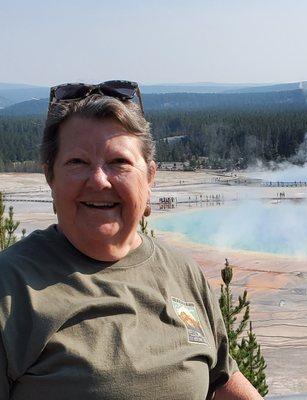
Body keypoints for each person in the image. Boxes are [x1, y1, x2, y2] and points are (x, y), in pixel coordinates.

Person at [0, 81, 263, 399]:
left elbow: (221, 378)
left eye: (119, 163)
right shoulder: (11, 288)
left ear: (150, 177)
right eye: (77, 163)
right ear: (50, 177)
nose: (99, 179)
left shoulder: (184, 274)